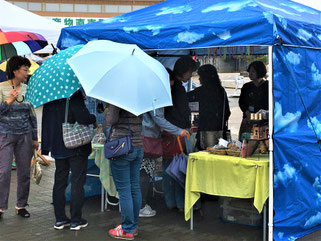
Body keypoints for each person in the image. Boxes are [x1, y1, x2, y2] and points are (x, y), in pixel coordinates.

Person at [41, 89, 97, 230]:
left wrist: (47, 146)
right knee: (77, 182)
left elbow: (46, 121)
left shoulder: (51, 95)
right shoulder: (73, 94)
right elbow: (82, 118)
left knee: (59, 182)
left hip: (57, 145)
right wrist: (93, 118)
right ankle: (76, 220)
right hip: (75, 146)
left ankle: (60, 220)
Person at [0, 56, 39, 219]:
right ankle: (1, 207)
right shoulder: (1, 88)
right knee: (4, 172)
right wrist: (9, 100)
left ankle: (21, 205)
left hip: (25, 136)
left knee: (24, 173)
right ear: (15, 70)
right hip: (5, 135)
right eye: (25, 70)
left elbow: (32, 115)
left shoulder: (27, 89)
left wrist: (35, 137)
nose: (27, 73)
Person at [163, 57, 198, 212]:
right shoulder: (178, 88)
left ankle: (170, 202)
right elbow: (183, 111)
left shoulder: (168, 87)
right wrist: (187, 127)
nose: (191, 75)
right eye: (190, 71)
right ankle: (181, 203)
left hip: (166, 132)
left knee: (168, 168)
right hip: (178, 133)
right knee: (179, 168)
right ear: (184, 71)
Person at [140, 108, 189, 217]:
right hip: (147, 138)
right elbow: (158, 118)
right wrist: (177, 131)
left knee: (139, 173)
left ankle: (135, 206)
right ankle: (140, 206)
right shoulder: (156, 95)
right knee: (144, 172)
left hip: (138, 136)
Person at [105, 104, 143, 240]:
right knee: (134, 187)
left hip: (122, 146)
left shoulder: (119, 96)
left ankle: (127, 229)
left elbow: (111, 120)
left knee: (124, 190)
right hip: (138, 145)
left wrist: (108, 111)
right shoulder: (141, 96)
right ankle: (133, 225)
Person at [187, 64, 231, 149]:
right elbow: (227, 112)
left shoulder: (202, 91)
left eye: (200, 76)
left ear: (205, 77)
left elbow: (186, 98)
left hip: (206, 130)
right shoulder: (221, 90)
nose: (199, 79)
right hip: (221, 130)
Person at [238, 61, 268, 140]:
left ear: (260, 71)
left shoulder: (268, 86)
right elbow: (241, 102)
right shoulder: (246, 86)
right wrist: (246, 112)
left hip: (263, 122)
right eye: (249, 71)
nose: (250, 74)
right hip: (248, 121)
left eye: (253, 71)